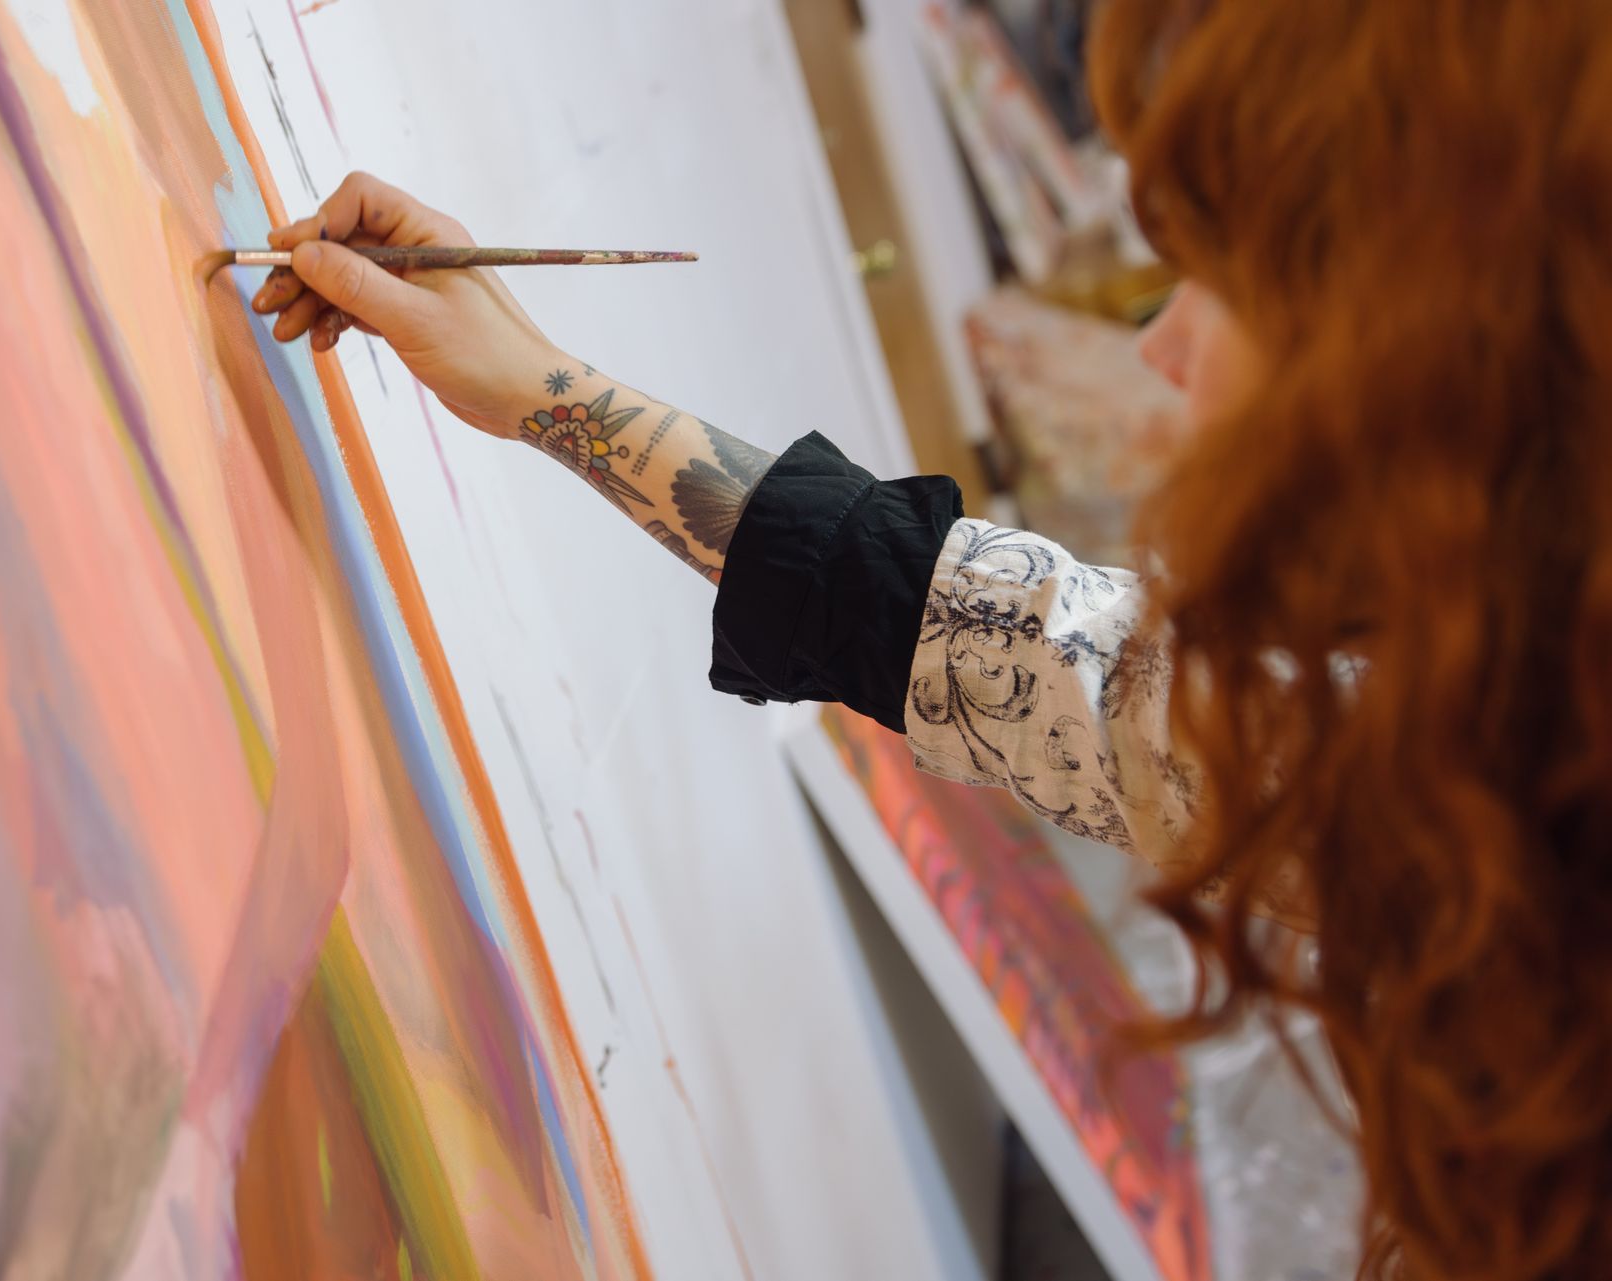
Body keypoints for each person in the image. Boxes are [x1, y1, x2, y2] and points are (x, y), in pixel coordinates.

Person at [250, 2, 1612, 1275]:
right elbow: (1046, 663)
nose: (1167, 348)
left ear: (1440, 352)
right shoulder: (1484, 734)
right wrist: (548, 391)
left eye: (1222, 278)